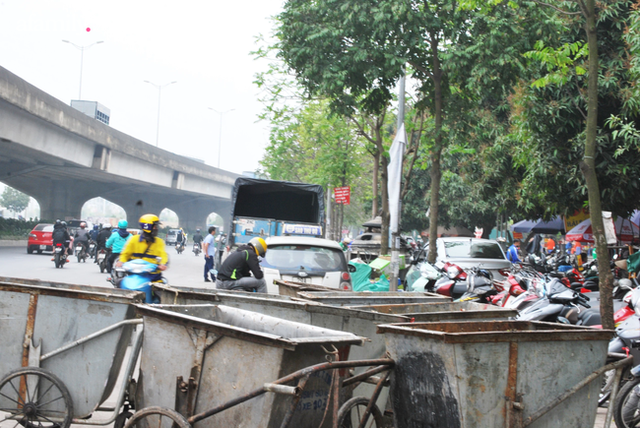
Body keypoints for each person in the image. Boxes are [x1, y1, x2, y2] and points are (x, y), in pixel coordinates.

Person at [116, 214, 168, 282]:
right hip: (134, 275)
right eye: (155, 226)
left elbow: (163, 255)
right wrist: (121, 261)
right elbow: (125, 253)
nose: (156, 229)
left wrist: (163, 264)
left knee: (161, 291)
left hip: (153, 277)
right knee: (121, 285)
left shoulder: (159, 242)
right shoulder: (133, 240)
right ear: (148, 226)